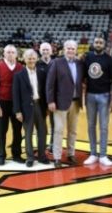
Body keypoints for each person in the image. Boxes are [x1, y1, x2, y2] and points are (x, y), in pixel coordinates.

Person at [46, 40, 84, 168]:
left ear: (76, 50)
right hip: (60, 102)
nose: (71, 50)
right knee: (58, 131)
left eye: (73, 48)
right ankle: (57, 157)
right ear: (64, 49)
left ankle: (70, 153)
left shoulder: (79, 64)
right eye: (68, 48)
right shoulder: (57, 62)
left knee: (72, 131)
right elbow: (50, 83)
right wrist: (50, 100)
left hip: (76, 102)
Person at [83, 36, 112, 166]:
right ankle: (93, 154)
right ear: (93, 44)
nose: (98, 44)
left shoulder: (110, 60)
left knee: (103, 127)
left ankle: (103, 155)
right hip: (90, 96)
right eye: (96, 42)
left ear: (104, 45)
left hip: (104, 96)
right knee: (91, 126)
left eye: (100, 42)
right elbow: (83, 75)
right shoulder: (87, 57)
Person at [13, 49, 49, 167]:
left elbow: (45, 91)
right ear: (24, 59)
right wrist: (17, 111)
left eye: (33, 57)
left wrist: (47, 105)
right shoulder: (18, 75)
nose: (31, 60)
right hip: (26, 108)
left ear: (37, 59)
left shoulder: (42, 72)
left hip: (40, 105)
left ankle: (42, 156)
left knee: (42, 132)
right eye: (29, 57)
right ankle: (30, 158)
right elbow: (16, 94)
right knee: (28, 133)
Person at [0, 44, 24, 165]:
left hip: (17, 104)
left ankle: (16, 154)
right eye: (8, 52)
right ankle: (1, 155)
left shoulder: (20, 67)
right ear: (4, 53)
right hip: (2, 103)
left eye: (12, 52)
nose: (10, 54)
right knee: (1, 131)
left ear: (16, 54)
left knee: (18, 130)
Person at [36, 42, 54, 151]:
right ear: (40, 51)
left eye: (47, 49)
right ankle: (42, 144)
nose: (45, 52)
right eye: (43, 49)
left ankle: (52, 145)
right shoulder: (36, 64)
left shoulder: (55, 63)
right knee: (42, 125)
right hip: (40, 99)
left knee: (54, 124)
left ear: (51, 51)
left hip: (53, 100)